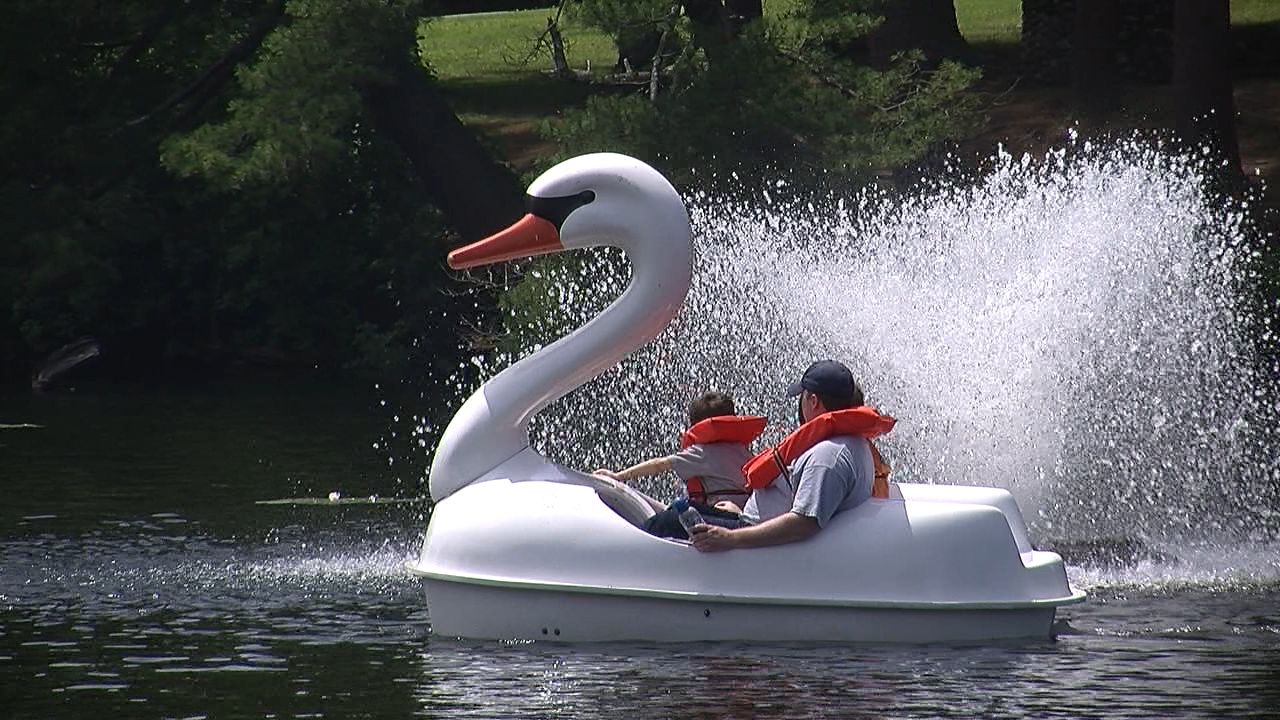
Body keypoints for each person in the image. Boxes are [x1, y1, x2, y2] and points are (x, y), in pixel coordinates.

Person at [686, 360, 896, 553]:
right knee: (681, 510)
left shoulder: (827, 457)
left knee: (666, 522)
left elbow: (803, 524)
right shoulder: (851, 444)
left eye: (802, 396)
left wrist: (730, 537)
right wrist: (738, 511)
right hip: (745, 523)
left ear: (813, 401)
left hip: (749, 540)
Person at [595, 391, 766, 538]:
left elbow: (659, 465)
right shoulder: (743, 450)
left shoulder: (702, 453)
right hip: (740, 517)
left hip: (719, 516)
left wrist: (619, 476)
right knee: (670, 506)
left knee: (666, 516)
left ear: (697, 426)